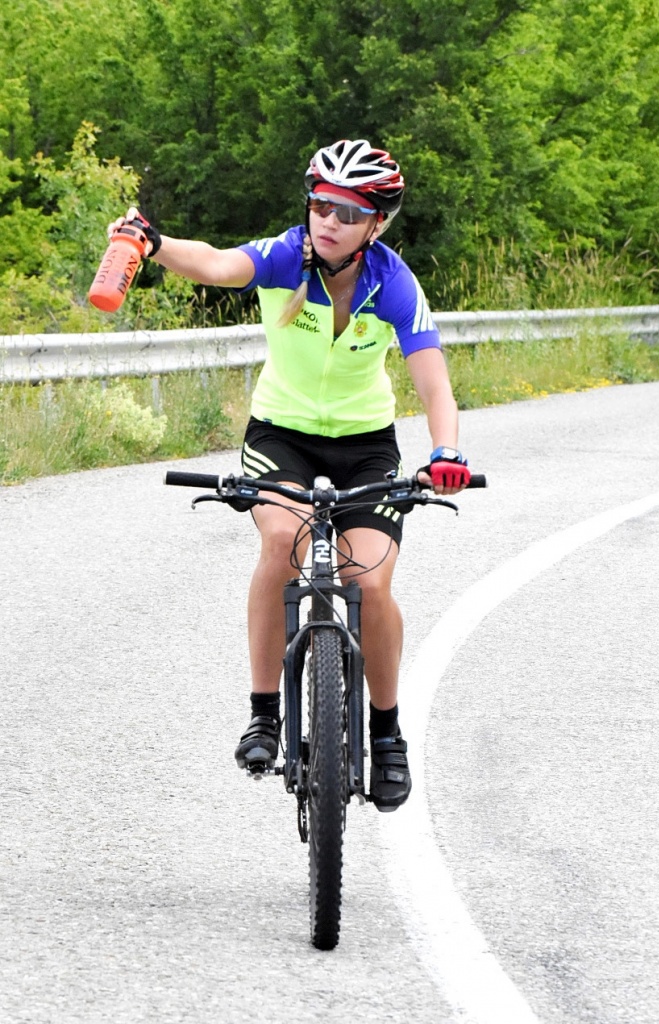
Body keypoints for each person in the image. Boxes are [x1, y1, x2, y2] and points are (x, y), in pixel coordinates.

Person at [111, 139, 471, 812]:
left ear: (376, 223)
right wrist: (153, 243)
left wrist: (446, 453)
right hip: (282, 436)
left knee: (369, 580)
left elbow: (435, 387)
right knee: (282, 544)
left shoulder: (392, 283)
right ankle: (264, 712)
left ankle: (387, 733)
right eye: (321, 205)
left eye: (348, 210)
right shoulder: (284, 258)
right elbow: (218, 266)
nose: (329, 220)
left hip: (365, 447)